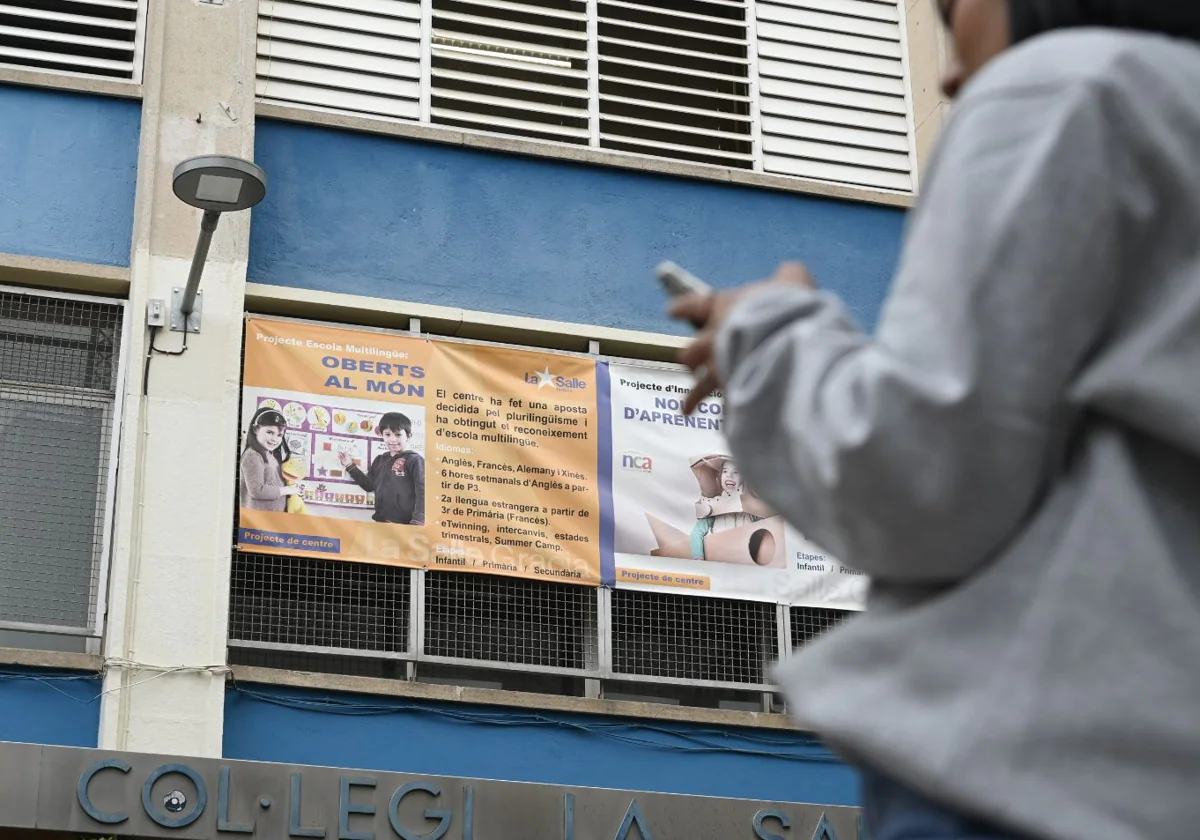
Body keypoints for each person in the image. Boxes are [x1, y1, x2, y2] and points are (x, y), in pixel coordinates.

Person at [670, 2, 1200, 839]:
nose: (950, 73)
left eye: (956, 18)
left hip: (1042, 781)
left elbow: (918, 477)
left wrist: (769, 336)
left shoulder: (1070, 86)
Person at [339, 411, 425, 525]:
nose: (392, 439)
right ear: (382, 435)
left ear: (408, 436)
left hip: (405, 525)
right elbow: (369, 485)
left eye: (398, 434)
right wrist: (350, 465)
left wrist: (418, 521)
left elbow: (423, 491)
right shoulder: (380, 460)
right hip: (380, 522)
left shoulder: (415, 460)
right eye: (388, 434)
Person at [240, 407, 302, 511]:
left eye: (279, 435)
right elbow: (257, 491)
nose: (275, 439)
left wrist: (292, 487)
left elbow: (273, 482)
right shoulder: (252, 456)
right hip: (259, 518)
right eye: (269, 432)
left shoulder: (268, 454)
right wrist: (287, 490)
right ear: (255, 429)